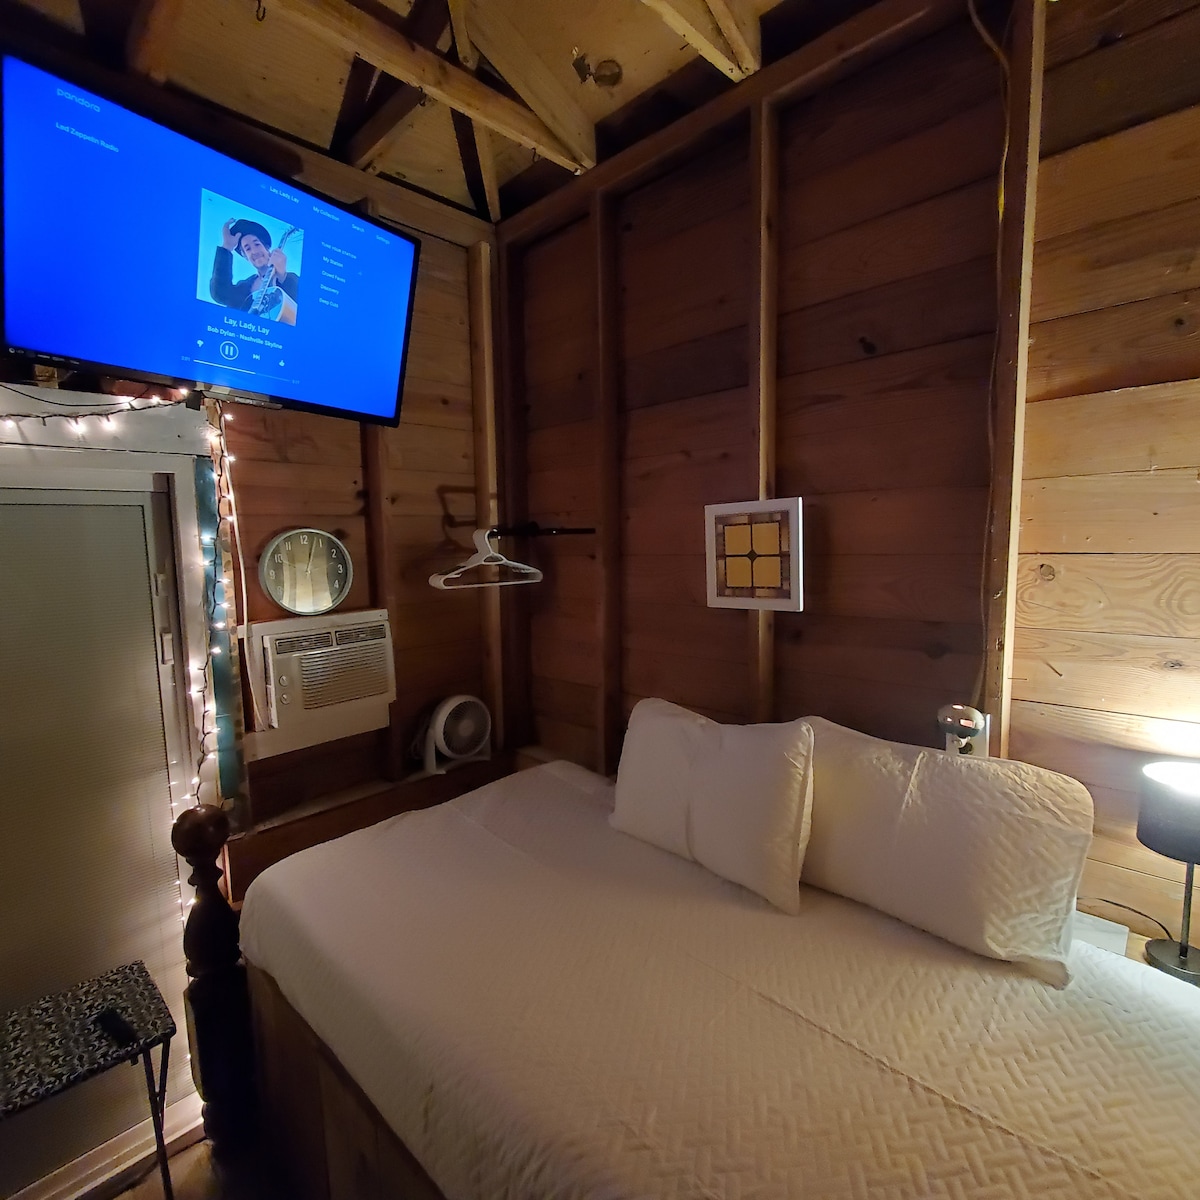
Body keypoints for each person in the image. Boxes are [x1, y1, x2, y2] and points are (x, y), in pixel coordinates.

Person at [209, 218, 299, 321]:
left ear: (267, 248)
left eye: (257, 244)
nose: (254, 251)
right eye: (248, 249)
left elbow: (303, 307)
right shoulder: (243, 287)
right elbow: (220, 294)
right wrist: (226, 248)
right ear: (245, 257)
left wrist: (283, 276)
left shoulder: (291, 279)